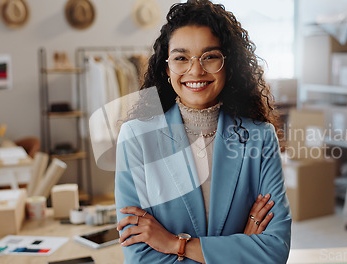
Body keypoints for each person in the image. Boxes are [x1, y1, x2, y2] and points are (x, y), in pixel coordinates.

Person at [115, 0, 291, 263]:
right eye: (181, 58)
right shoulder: (136, 138)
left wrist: (176, 244)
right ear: (167, 68)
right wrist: (239, 248)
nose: (195, 70)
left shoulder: (261, 137)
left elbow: (275, 250)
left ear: (228, 65)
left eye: (210, 57)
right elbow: (140, 257)